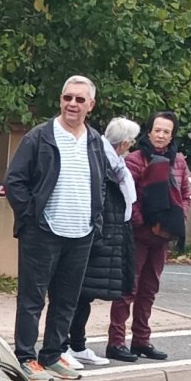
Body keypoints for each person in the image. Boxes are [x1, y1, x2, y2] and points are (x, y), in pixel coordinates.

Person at [3, 75, 109, 381]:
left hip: (81, 234)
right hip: (43, 232)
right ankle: (25, 356)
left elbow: (101, 183)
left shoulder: (94, 141)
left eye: (79, 99)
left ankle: (52, 354)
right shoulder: (40, 137)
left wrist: (95, 221)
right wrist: (32, 217)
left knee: (66, 300)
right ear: (60, 100)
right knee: (32, 298)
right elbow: (15, 181)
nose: (72, 104)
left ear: (91, 105)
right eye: (67, 98)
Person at [108, 110, 191, 362]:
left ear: (172, 135)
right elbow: (127, 196)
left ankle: (141, 340)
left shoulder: (179, 162)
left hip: (164, 236)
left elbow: (186, 195)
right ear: (149, 131)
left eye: (167, 131)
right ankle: (116, 342)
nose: (161, 135)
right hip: (138, 235)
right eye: (158, 130)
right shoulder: (134, 159)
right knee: (128, 289)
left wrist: (176, 221)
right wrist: (144, 224)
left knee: (149, 289)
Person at [61, 116, 139, 368]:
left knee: (86, 296)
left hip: (111, 234)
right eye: (131, 141)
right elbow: (98, 200)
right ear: (124, 142)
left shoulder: (116, 162)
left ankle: (78, 345)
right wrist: (98, 234)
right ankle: (62, 347)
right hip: (96, 235)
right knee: (74, 295)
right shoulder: (101, 160)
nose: (132, 145)